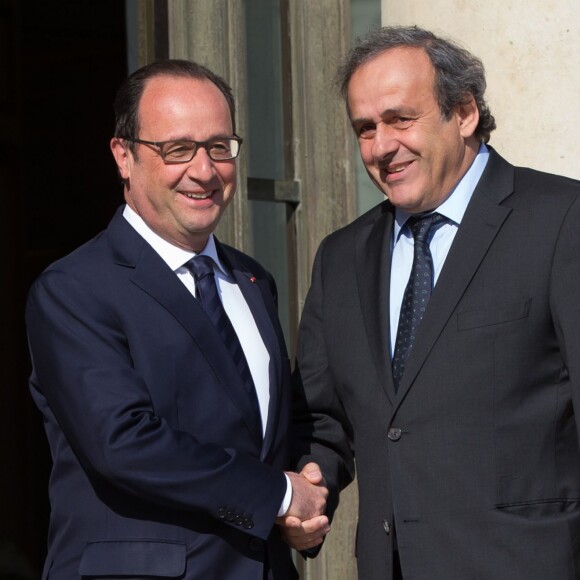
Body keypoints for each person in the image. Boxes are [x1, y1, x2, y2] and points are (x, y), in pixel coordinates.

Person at [289, 25, 580, 579]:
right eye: (365, 128)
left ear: (465, 112)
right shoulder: (342, 256)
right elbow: (324, 417)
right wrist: (310, 481)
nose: (381, 146)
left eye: (401, 119)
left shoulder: (562, 221)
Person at [26, 59, 328, 580]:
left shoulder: (253, 281)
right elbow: (124, 442)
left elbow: (272, 432)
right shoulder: (74, 289)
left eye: (218, 147)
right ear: (124, 156)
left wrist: (310, 493)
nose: (204, 170)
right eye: (177, 150)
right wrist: (278, 495)